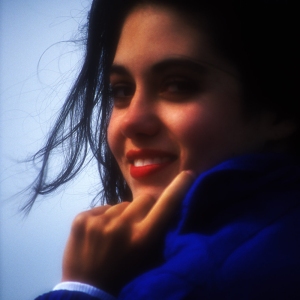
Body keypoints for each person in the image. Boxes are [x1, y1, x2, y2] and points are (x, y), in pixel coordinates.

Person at [30, 0, 300, 299]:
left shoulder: (194, 281)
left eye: (177, 85)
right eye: (121, 91)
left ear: (278, 109)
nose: (132, 121)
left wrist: (81, 287)